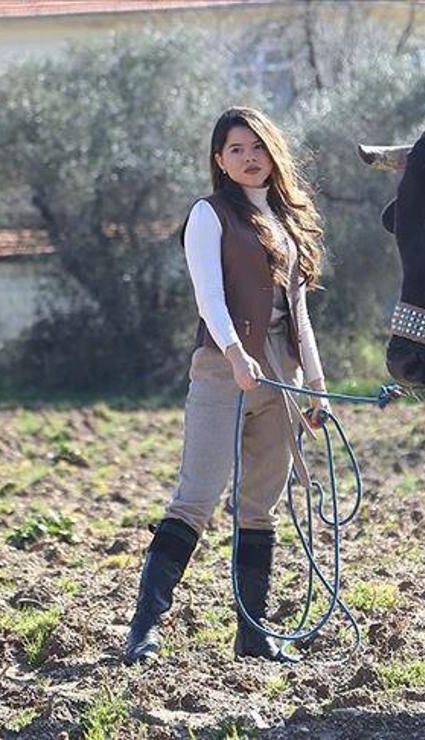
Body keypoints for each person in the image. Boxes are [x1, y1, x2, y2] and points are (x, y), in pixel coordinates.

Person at [123, 107, 329, 665]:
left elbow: (298, 312)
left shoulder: (287, 222)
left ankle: (253, 632)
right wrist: (237, 357)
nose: (248, 158)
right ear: (219, 159)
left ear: (272, 153)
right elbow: (209, 298)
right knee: (196, 497)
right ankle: (144, 627)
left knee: (259, 506)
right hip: (223, 367)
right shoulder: (208, 215)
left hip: (279, 375)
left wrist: (314, 381)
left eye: (256, 147)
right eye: (235, 149)